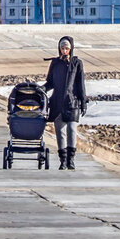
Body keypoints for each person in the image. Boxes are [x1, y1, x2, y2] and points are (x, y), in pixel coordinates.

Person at [44, 35, 86, 170]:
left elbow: (80, 84)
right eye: (62, 48)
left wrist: (83, 102)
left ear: (71, 48)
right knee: (60, 132)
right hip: (57, 102)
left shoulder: (77, 63)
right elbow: (50, 82)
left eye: (67, 48)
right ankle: (62, 161)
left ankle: (71, 160)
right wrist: (41, 89)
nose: (64, 50)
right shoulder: (55, 63)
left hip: (72, 103)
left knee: (72, 129)